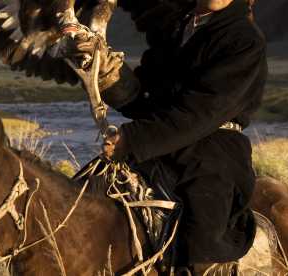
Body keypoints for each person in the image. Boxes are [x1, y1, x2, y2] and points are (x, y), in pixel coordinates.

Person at [72, 0, 267, 273]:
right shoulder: (178, 29)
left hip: (214, 151)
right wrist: (103, 73)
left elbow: (203, 112)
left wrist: (135, 139)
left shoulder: (244, 40)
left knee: (203, 236)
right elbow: (145, 99)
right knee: (83, 191)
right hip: (160, 144)